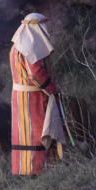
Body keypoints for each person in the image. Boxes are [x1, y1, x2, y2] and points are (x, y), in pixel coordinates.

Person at [9, 13, 67, 176]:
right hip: (33, 97)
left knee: (23, 133)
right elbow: (36, 73)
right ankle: (39, 167)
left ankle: (23, 167)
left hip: (19, 97)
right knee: (38, 131)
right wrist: (52, 89)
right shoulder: (30, 46)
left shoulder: (16, 46)